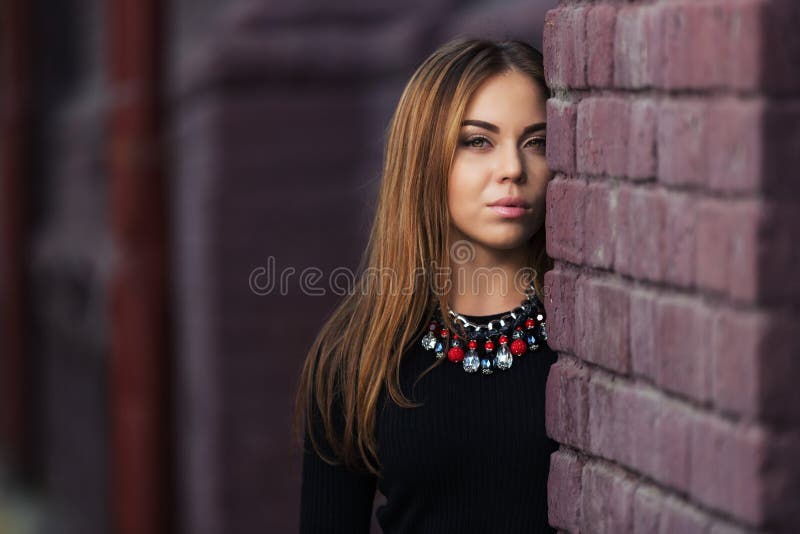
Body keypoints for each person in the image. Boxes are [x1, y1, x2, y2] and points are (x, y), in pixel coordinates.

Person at [295, 38, 558, 533]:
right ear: (424, 158)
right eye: (478, 141)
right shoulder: (358, 356)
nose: (513, 170)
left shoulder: (587, 341)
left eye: (537, 142)